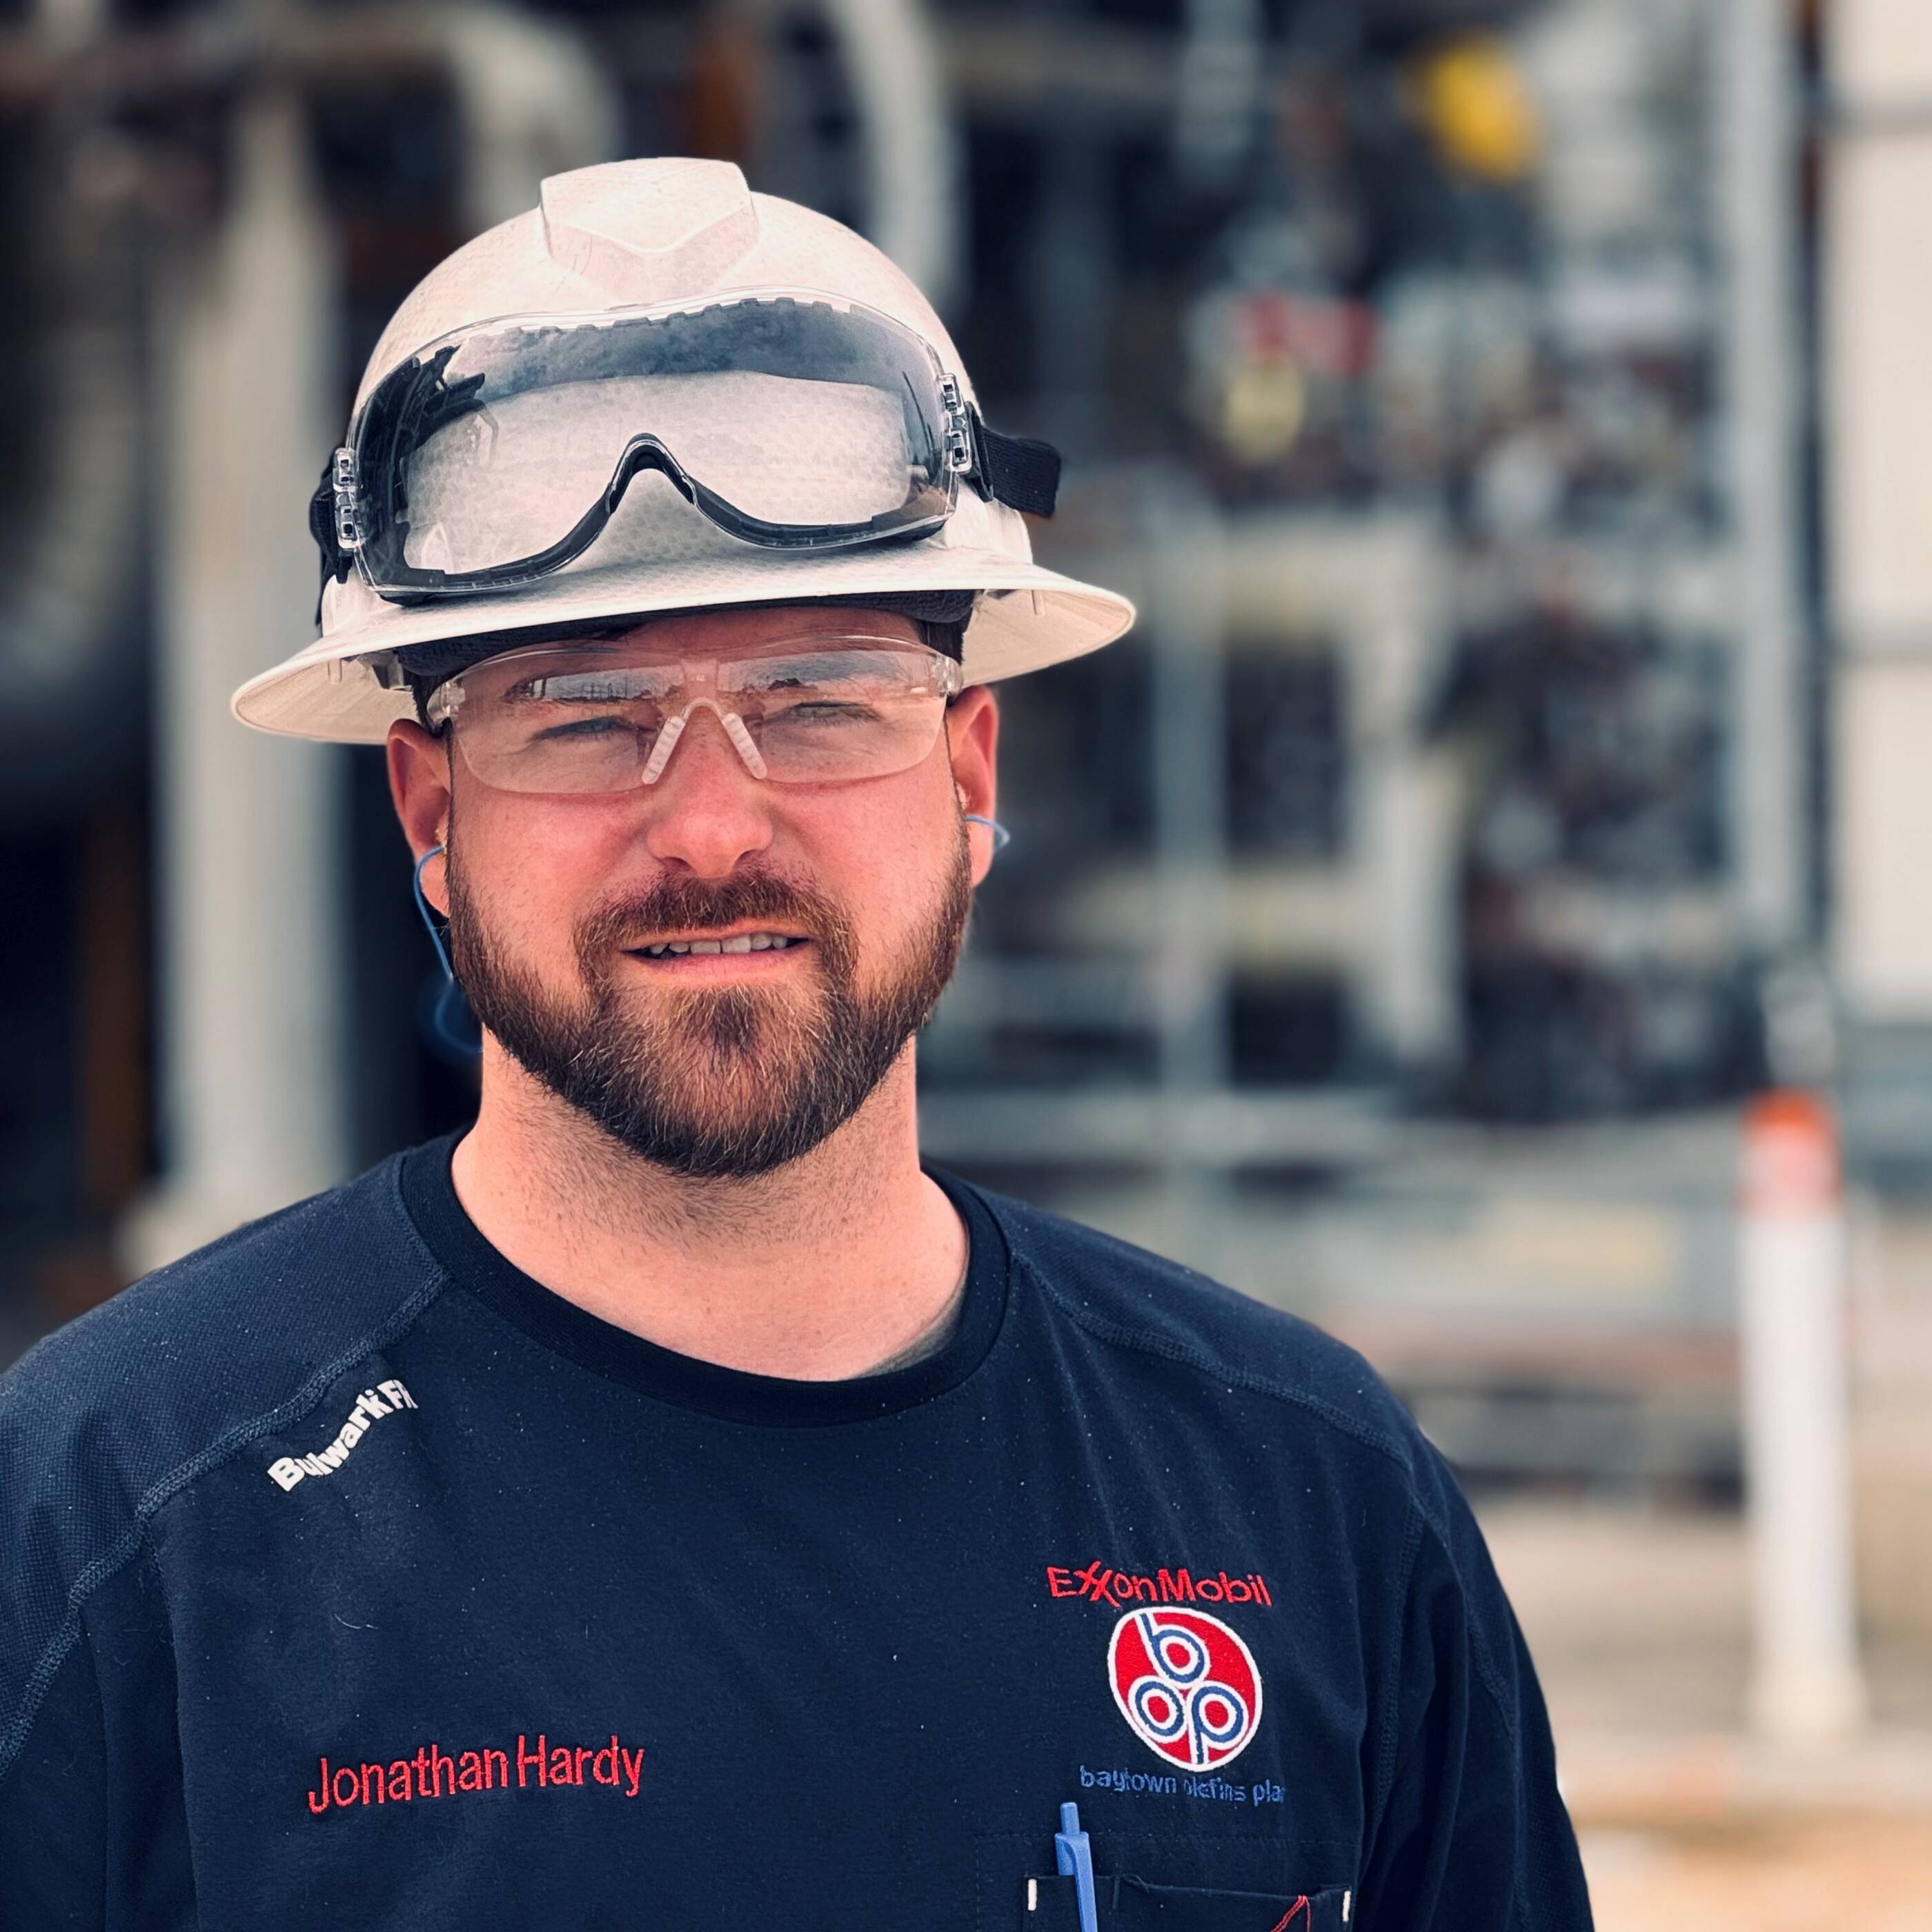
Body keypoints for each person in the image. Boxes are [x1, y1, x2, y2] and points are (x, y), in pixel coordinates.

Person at [0, 158, 1591, 1929]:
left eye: (819, 705)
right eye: (587, 720)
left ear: (969, 777)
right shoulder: (111, 1521)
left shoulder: (1310, 1498)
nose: (708, 827)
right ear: (430, 809)